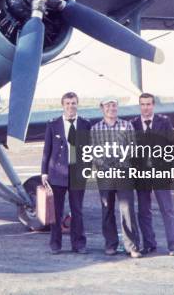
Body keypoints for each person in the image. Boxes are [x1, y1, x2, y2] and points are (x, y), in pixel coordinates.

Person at [90, 97, 142, 258]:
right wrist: (104, 164)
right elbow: (92, 152)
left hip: (124, 173)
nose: (111, 108)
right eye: (107, 105)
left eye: (113, 105)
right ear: (102, 108)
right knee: (107, 209)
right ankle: (110, 244)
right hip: (105, 174)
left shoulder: (126, 126)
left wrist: (123, 163)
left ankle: (132, 246)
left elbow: (133, 149)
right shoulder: (95, 129)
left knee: (127, 209)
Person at [41, 92, 91, 255]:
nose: (71, 106)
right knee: (56, 211)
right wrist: (44, 172)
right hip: (57, 173)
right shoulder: (53, 124)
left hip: (77, 172)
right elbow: (46, 150)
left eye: (74, 103)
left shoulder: (85, 124)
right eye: (68, 103)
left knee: (77, 210)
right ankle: (55, 244)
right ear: (63, 105)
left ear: (78, 105)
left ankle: (79, 244)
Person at [132, 92, 174, 256]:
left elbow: (171, 146)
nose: (146, 108)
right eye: (143, 104)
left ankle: (173, 245)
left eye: (148, 104)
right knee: (144, 211)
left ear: (153, 105)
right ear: (140, 106)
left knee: (167, 210)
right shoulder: (133, 124)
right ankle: (149, 244)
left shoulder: (164, 122)